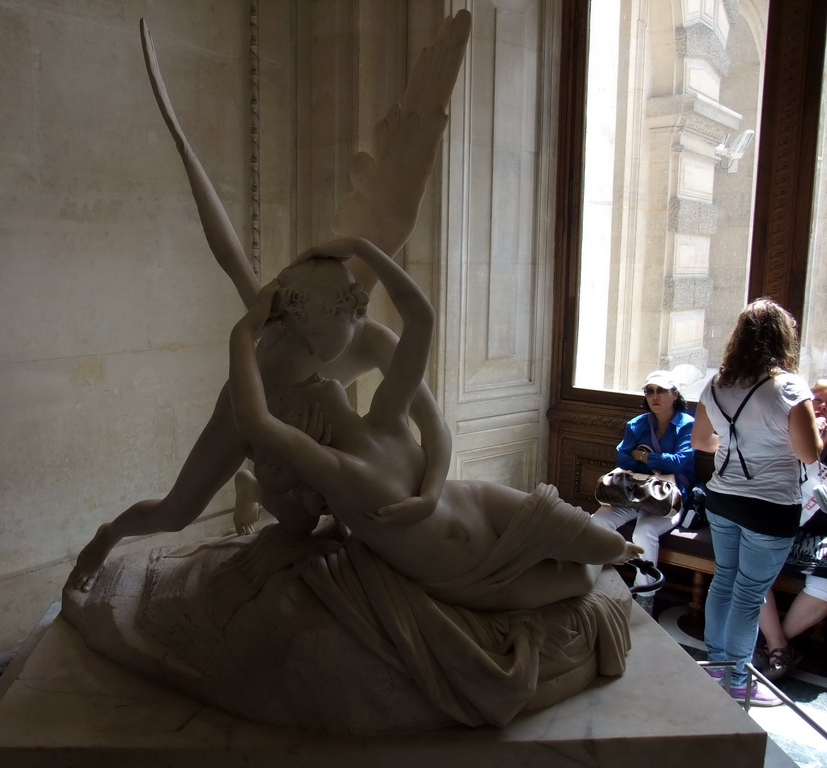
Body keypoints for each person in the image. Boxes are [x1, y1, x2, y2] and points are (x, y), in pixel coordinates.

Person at [67, 18, 459, 590]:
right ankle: (105, 538)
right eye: (316, 332)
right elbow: (227, 249)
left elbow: (435, 425)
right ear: (298, 320)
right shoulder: (277, 326)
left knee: (329, 516)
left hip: (305, 442)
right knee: (176, 511)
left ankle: (257, 487)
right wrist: (184, 144)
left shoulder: (369, 336)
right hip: (251, 418)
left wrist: (430, 492)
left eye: (343, 323)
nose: (330, 343)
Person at [228, 236, 643, 608]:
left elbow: (420, 319)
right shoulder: (338, 470)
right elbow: (253, 419)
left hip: (482, 503)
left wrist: (363, 248)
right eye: (305, 388)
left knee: (603, 544)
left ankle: (612, 551)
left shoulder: (386, 417)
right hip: (467, 573)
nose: (319, 374)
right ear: (306, 425)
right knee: (581, 577)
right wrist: (242, 332)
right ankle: (606, 560)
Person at [691, 298, 823, 706]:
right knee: (749, 594)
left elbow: (700, 442)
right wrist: (815, 428)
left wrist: (734, 442)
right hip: (769, 506)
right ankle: (737, 679)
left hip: (723, 498)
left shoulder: (717, 383)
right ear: (785, 339)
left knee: (724, 581)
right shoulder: (788, 388)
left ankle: (716, 666)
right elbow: (809, 454)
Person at [592, 370, 694, 609]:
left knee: (644, 533)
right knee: (597, 522)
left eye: (661, 391)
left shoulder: (687, 426)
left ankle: (645, 597)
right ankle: (597, 582)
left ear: (675, 394)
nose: (655, 397)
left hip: (668, 499)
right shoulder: (637, 424)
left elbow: (680, 462)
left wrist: (645, 457)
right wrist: (655, 459)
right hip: (632, 494)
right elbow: (623, 460)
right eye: (650, 391)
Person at [753, 377, 827, 680]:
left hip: (821, 530)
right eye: (817, 401)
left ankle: (774, 646)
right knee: (751, 565)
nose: (821, 408)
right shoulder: (789, 432)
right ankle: (779, 647)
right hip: (781, 519)